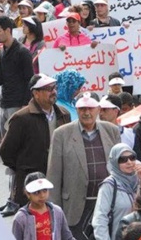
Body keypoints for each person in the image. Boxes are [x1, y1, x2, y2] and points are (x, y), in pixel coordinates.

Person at [47, 94, 121, 238]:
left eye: (91, 108)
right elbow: (54, 175)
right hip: (75, 206)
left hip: (107, 203)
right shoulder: (61, 134)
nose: (87, 112)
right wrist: (54, 211)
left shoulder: (112, 131)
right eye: (82, 109)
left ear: (98, 109)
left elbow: (119, 168)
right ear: (76, 110)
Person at [0, 74, 71, 217]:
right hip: (31, 183)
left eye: (54, 88)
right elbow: (6, 152)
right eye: (48, 89)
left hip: (58, 181)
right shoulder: (21, 118)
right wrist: (23, 167)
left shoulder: (64, 114)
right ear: (36, 93)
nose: (53, 92)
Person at [0, 15, 35, 141]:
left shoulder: (23, 52)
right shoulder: (1, 53)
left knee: (18, 143)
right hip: (4, 103)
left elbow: (30, 80)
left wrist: (25, 106)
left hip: (17, 105)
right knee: (6, 145)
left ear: (8, 30)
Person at [92, 144, 141, 240]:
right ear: (114, 162)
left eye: (132, 157)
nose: (129, 162)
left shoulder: (140, 181)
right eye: (123, 159)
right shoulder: (109, 185)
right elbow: (100, 219)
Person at [12, 172, 75, 240]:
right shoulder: (20, 218)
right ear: (27, 193)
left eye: (45, 191)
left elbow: (67, 237)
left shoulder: (57, 212)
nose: (42, 196)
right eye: (36, 192)